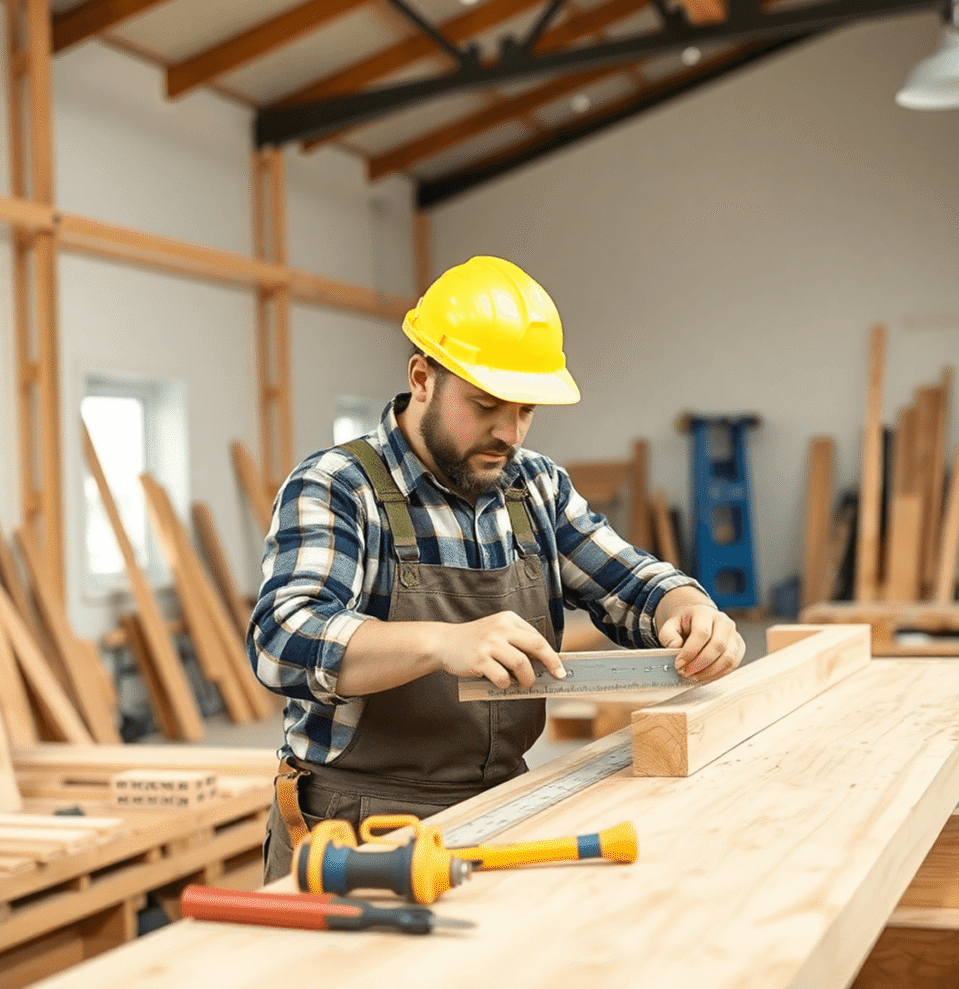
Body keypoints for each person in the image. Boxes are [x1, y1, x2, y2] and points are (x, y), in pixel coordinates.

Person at [249, 255, 745, 882]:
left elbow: (629, 583)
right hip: (354, 824)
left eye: (526, 411)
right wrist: (440, 641)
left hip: (506, 804)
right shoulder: (337, 486)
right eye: (486, 405)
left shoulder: (534, 485)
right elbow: (281, 643)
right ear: (422, 377)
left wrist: (688, 610)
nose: (508, 432)